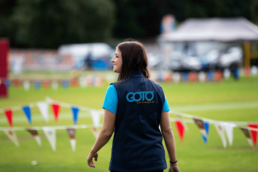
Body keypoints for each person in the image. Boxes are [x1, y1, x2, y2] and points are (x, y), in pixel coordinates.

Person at [87, 40, 180, 172]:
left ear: (128, 60)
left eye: (117, 56)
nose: (113, 60)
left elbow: (107, 131)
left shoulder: (114, 90)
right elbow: (167, 130)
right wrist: (173, 163)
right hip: (155, 162)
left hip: (125, 163)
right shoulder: (158, 89)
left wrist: (93, 151)